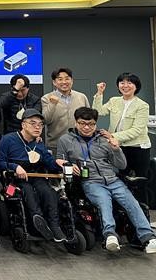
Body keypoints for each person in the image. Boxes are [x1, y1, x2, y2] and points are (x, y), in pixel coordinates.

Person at [56, 107, 156, 254]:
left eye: (90, 124)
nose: (86, 127)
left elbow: (121, 165)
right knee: (104, 202)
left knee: (132, 203)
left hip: (112, 180)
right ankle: (110, 235)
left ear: (95, 124)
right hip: (90, 181)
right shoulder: (65, 140)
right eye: (82, 123)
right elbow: (59, 159)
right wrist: (66, 164)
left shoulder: (104, 139)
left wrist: (116, 149)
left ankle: (148, 237)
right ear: (76, 122)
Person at [0, 108, 68, 242]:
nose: (37, 127)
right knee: (28, 192)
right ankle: (38, 223)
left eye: (40, 124)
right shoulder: (8, 139)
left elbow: (49, 163)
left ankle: (54, 226)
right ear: (23, 124)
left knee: (48, 192)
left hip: (36, 176)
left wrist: (60, 164)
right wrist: (15, 167)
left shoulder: (39, 143)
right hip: (13, 181)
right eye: (33, 123)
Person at [92, 73, 151, 204]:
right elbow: (97, 112)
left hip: (138, 148)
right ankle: (124, 212)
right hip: (119, 147)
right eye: (122, 83)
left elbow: (137, 130)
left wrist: (112, 135)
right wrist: (99, 93)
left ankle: (143, 213)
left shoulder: (142, 105)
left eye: (129, 83)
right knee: (121, 180)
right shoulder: (114, 101)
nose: (125, 86)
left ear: (136, 86)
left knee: (139, 183)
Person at [40, 67, 90, 154]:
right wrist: (52, 104)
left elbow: (89, 119)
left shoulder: (81, 97)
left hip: (80, 144)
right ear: (54, 82)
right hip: (56, 145)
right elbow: (45, 120)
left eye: (67, 79)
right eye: (60, 79)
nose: (64, 82)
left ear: (72, 81)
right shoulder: (46, 98)